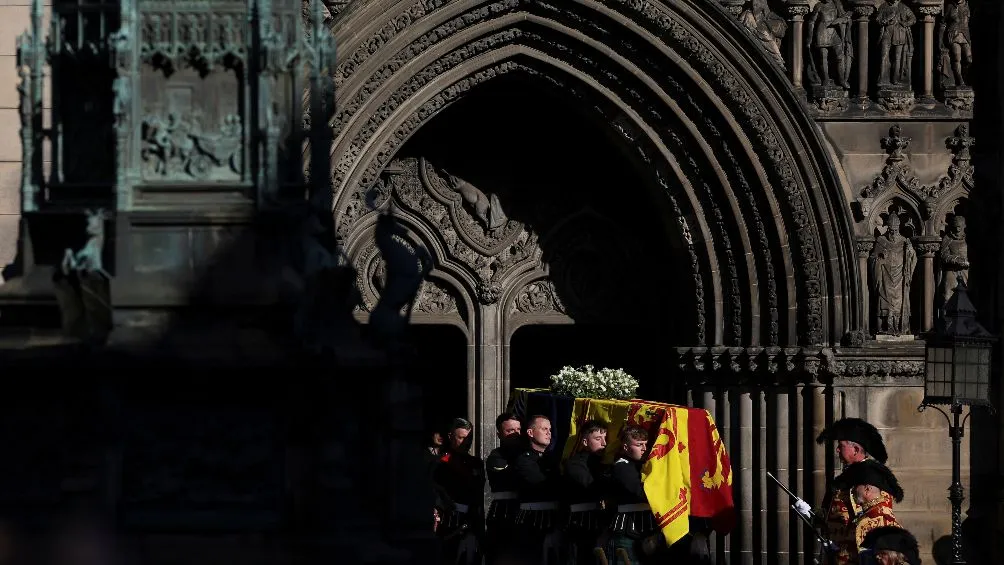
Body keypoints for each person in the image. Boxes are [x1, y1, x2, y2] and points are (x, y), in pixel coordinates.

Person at [797, 418, 904, 565]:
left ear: (856, 450)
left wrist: (842, 549)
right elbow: (835, 516)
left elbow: (874, 519)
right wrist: (811, 514)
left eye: (841, 446)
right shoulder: (845, 477)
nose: (837, 450)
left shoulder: (873, 478)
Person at [433, 418, 485, 565]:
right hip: (450, 523)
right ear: (450, 436)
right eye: (461, 438)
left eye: (469, 439)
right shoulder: (441, 463)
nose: (466, 443)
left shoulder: (476, 463)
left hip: (473, 522)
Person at [603, 425, 658, 565]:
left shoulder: (643, 465)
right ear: (626, 447)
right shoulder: (622, 467)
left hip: (646, 530)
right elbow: (640, 493)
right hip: (627, 532)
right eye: (639, 445)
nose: (644, 449)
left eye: (645, 444)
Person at [514, 415, 562, 565]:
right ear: (530, 432)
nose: (549, 433)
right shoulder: (524, 459)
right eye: (544, 429)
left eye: (550, 429)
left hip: (553, 518)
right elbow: (542, 484)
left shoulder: (552, 459)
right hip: (532, 519)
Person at [563, 420, 609, 565]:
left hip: (599, 524)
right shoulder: (574, 464)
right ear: (585, 441)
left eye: (605, 438)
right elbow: (592, 487)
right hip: (580, 525)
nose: (604, 443)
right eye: (598, 439)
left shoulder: (604, 463)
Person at [485, 413, 524, 565]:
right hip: (503, 514)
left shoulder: (526, 454)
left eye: (518, 430)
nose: (515, 434)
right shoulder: (496, 457)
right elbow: (513, 477)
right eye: (510, 431)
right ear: (499, 435)